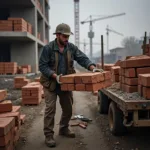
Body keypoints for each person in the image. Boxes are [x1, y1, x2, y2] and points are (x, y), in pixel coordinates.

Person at [39, 23, 103, 148]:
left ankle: (63, 128)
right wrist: (54, 76)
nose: (66, 38)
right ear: (57, 35)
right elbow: (42, 66)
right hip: (50, 83)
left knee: (68, 108)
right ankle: (48, 135)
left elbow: (82, 58)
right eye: (64, 36)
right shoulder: (48, 48)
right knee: (50, 109)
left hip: (65, 84)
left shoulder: (71, 47)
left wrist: (93, 68)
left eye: (68, 36)